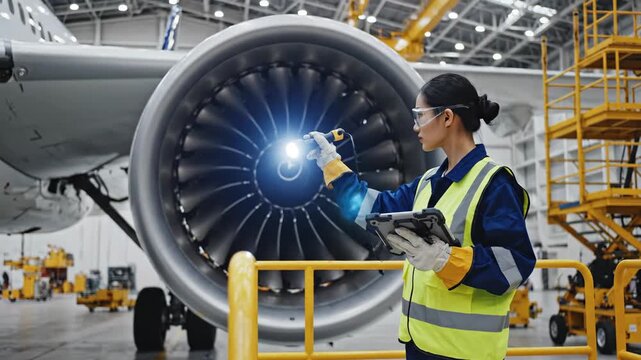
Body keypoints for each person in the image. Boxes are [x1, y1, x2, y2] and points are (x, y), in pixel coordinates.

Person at [305, 73, 536, 360]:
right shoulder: (428, 181)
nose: (415, 126)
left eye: (420, 116)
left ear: (447, 117)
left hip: (465, 352)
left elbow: (517, 263)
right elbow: (373, 210)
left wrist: (446, 260)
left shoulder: (494, 183)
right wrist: (331, 164)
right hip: (420, 345)